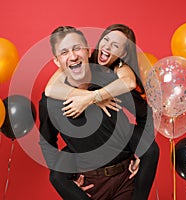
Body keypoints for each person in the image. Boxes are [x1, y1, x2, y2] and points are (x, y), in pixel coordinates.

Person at [44, 24, 159, 199]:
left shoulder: (112, 78)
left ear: (87, 51)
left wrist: (142, 152)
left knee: (151, 149)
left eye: (77, 49)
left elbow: (142, 109)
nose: (73, 56)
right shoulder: (51, 99)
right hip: (89, 179)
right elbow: (48, 139)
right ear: (56, 60)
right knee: (57, 175)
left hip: (123, 172)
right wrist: (87, 97)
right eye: (64, 52)